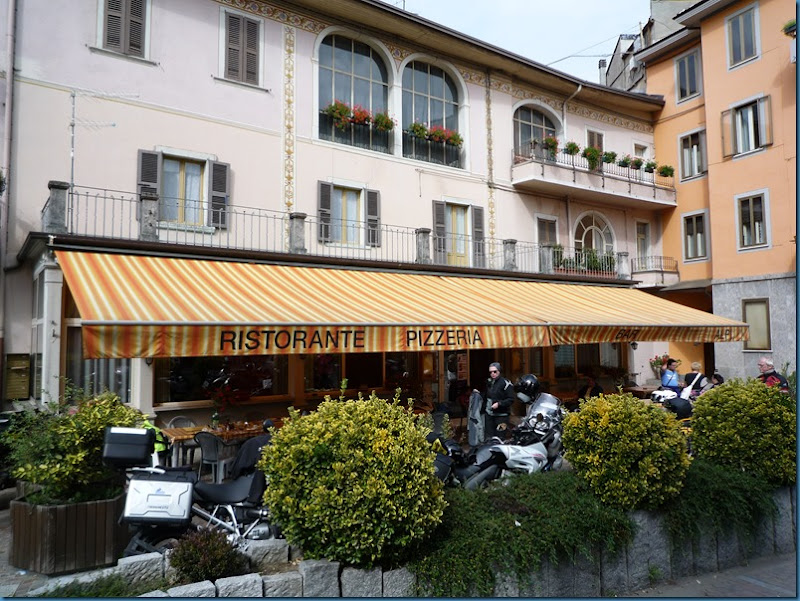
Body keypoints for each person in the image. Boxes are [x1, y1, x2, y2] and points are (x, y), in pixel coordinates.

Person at [482, 362, 515, 440]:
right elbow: (486, 396)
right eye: (490, 372)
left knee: (500, 437)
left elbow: (511, 399)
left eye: (495, 371)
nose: (492, 374)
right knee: (489, 438)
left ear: (499, 371)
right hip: (489, 415)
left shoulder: (506, 383)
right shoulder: (489, 382)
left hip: (502, 416)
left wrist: (499, 404)